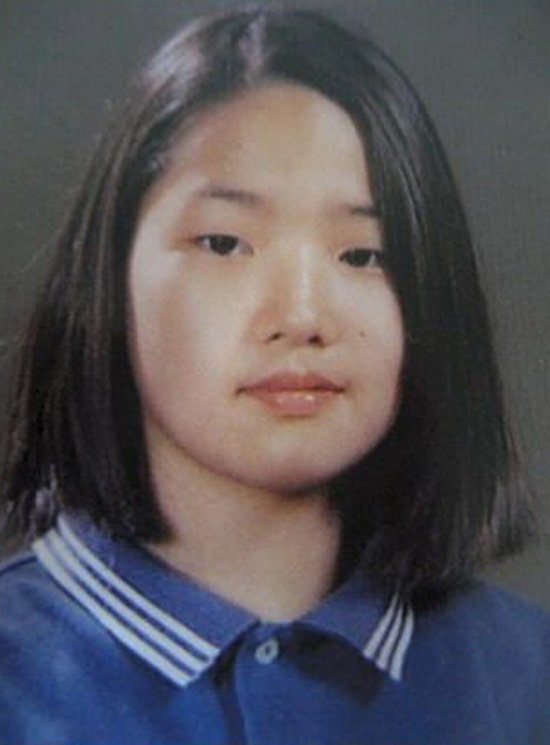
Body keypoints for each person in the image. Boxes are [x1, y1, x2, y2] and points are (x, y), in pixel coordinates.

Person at [0, 6, 548, 744]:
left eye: (363, 254)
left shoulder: (527, 676)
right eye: (225, 243)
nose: (302, 316)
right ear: (109, 279)